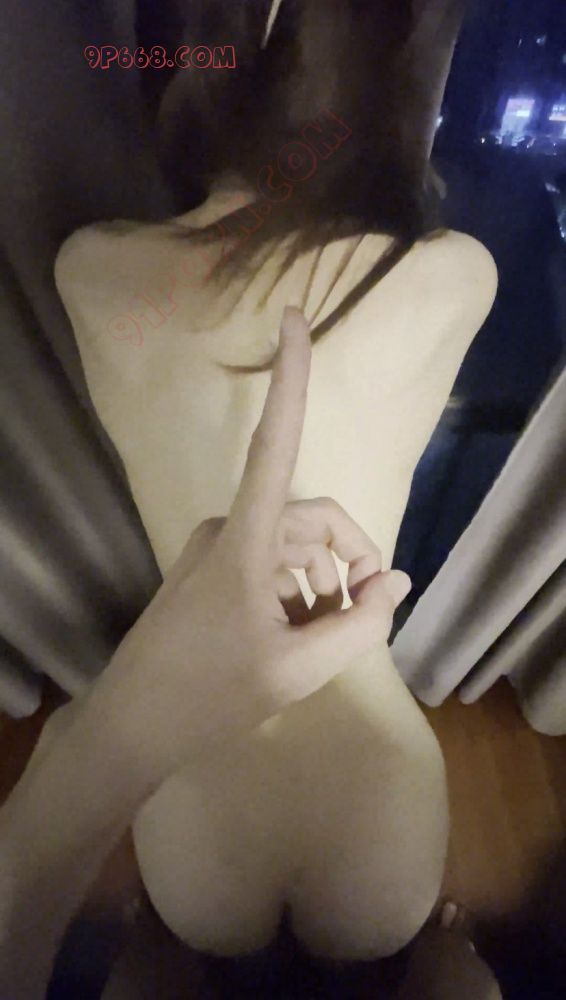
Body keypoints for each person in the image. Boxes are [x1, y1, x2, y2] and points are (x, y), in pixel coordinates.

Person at [52, 0, 498, 988]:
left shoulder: (93, 269)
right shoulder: (453, 276)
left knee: (156, 970)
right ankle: (444, 951)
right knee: (441, 972)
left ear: (193, 72)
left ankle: (154, 948)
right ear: (402, 91)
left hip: (192, 818)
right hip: (380, 830)